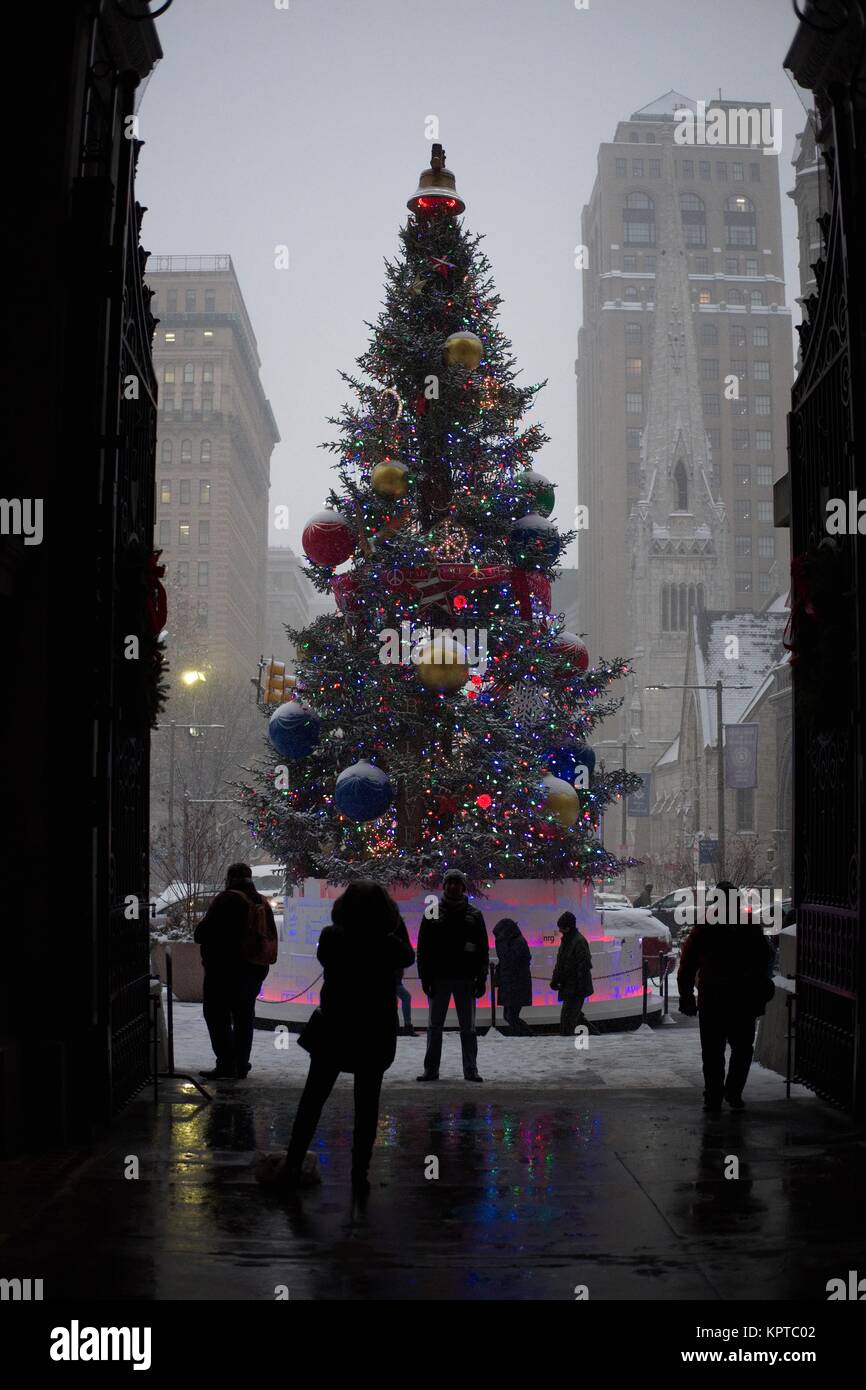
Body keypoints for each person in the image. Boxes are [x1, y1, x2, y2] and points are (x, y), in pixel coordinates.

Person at [264, 880, 414, 1194]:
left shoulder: (332, 938)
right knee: (367, 1105)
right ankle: (360, 1173)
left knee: (312, 1100)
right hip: (374, 1032)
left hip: (334, 1029)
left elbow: (326, 960)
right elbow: (407, 956)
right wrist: (393, 923)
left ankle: (292, 1165)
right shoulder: (388, 944)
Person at [677, 879, 775, 1115]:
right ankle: (733, 1092)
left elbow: (687, 964)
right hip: (743, 1000)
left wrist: (687, 996)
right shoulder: (749, 925)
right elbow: (765, 958)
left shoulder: (705, 927)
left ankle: (713, 1097)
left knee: (712, 1052)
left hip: (712, 1000)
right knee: (742, 1049)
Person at [194, 862, 277, 1080]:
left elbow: (202, 933)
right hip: (254, 969)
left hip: (223, 971)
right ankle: (241, 1064)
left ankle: (225, 1063)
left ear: (230, 878)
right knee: (244, 1016)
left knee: (216, 1015)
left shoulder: (226, 899)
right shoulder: (260, 901)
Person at [416, 869, 489, 1083]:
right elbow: (423, 948)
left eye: (456, 883)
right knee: (434, 1026)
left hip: (465, 978)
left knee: (468, 1027)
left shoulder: (474, 915)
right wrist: (425, 977)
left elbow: (482, 948)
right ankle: (431, 1069)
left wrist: (481, 977)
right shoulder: (432, 912)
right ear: (444, 886)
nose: (452, 886)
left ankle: (470, 1068)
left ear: (463, 887)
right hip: (439, 978)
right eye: (449, 883)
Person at [550, 911, 593, 1037]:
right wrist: (555, 979)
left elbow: (583, 966)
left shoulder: (577, 942)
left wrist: (578, 987)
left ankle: (569, 1046)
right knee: (572, 1017)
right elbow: (561, 964)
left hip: (575, 988)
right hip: (570, 987)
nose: (560, 930)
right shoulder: (568, 940)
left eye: (561, 928)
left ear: (568, 927)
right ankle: (594, 1036)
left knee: (568, 1020)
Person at [492, 918, 532, 1034]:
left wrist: (500, 943)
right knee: (509, 1015)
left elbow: (507, 960)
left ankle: (526, 1035)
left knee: (511, 1015)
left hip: (516, 985)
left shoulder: (517, 942)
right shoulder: (514, 941)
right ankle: (525, 1035)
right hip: (513, 984)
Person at [395, 964, 418, 1036]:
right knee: (406, 997)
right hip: (395, 979)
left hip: (396, 979)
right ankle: (407, 1026)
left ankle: (398, 1028)